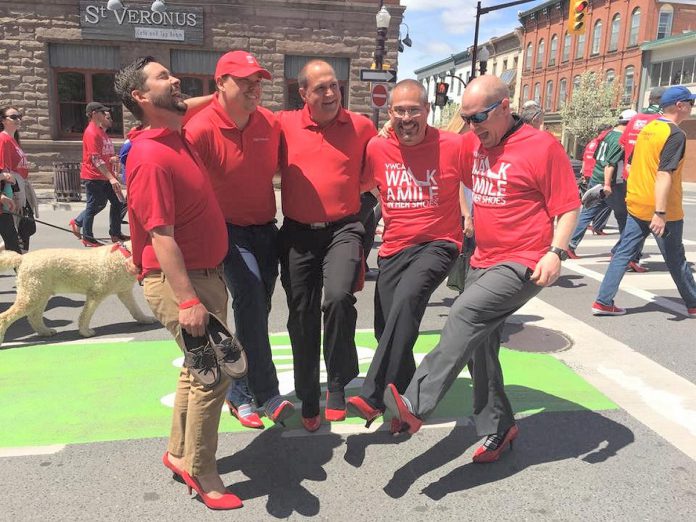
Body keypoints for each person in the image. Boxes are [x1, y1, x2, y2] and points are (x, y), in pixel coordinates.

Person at [383, 75, 580, 463]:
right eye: (468, 118)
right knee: (481, 347)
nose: (474, 127)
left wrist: (555, 252)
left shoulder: (542, 147)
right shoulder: (472, 142)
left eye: (481, 117)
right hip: (483, 258)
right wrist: (396, 127)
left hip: (525, 259)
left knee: (465, 313)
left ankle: (416, 404)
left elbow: (568, 205)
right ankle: (499, 427)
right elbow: (422, 139)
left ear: (505, 106)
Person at [114, 56, 242, 510]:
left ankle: (179, 453)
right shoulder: (149, 155)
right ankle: (203, 472)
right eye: (163, 77)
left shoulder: (174, 133)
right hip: (184, 283)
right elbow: (159, 234)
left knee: (196, 369)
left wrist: (227, 91)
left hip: (205, 275)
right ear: (141, 97)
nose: (176, 79)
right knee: (213, 376)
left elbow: (193, 104)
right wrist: (188, 299)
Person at [185, 51, 294, 429]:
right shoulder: (199, 129)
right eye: (245, 80)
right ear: (220, 84)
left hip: (265, 227)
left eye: (259, 80)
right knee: (248, 295)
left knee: (257, 309)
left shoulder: (270, 123)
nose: (255, 87)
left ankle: (238, 391)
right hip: (225, 230)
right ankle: (265, 393)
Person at [346, 80, 461, 429]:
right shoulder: (377, 149)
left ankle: (373, 395)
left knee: (408, 299)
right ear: (390, 113)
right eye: (400, 110)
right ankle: (405, 405)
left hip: (439, 242)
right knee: (390, 329)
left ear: (427, 110)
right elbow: (358, 185)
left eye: (414, 109)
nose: (407, 117)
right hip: (394, 247)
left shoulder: (454, 145)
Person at [277, 59, 376, 432]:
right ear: (303, 93)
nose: (331, 93)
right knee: (300, 314)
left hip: (344, 229)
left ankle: (337, 383)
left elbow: (388, 159)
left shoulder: (361, 126)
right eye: (321, 88)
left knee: (337, 297)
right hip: (298, 234)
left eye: (335, 85)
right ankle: (307, 394)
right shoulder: (283, 124)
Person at [592, 85, 696, 318]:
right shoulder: (675, 133)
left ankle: (603, 301)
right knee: (676, 257)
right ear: (679, 106)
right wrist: (660, 212)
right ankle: (693, 302)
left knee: (623, 253)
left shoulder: (649, 128)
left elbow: (631, 162)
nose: (692, 107)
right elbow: (664, 173)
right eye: (690, 102)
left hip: (637, 201)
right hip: (662, 208)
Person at [567, 110, 646, 272]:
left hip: (596, 178)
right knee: (625, 217)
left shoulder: (607, 135)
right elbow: (611, 163)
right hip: (610, 183)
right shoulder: (619, 139)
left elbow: (597, 157)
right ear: (629, 124)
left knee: (587, 213)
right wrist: (608, 184)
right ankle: (625, 252)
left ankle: (570, 244)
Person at [69, 102, 128, 247]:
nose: (105, 115)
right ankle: (87, 236)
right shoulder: (91, 132)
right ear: (94, 113)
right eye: (102, 113)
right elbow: (95, 159)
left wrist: (113, 159)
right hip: (94, 176)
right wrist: (111, 178)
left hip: (105, 176)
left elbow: (104, 154)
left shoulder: (101, 132)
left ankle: (115, 233)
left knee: (117, 202)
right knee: (94, 205)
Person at [0, 106, 26, 253]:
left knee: (18, 235)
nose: (18, 119)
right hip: (5, 195)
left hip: (12, 192)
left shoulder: (12, 140)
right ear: (3, 120)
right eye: (13, 117)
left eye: (19, 116)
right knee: (13, 240)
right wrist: (5, 193)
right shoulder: (3, 139)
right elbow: (5, 171)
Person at [580, 125, 614, 235]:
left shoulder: (592, 143)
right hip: (597, 174)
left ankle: (594, 224)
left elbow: (585, 157)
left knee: (591, 203)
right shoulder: (604, 142)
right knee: (604, 204)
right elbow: (602, 161)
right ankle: (597, 226)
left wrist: (583, 171)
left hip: (589, 173)